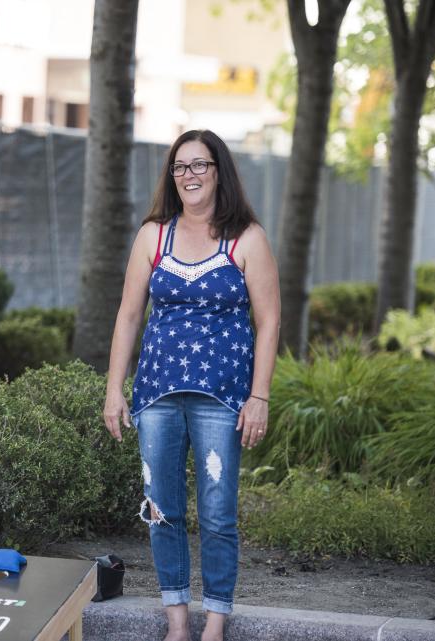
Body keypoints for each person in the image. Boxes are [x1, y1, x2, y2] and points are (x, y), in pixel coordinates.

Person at [102, 129, 279, 641]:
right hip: (156, 394)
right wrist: (116, 388)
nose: (190, 175)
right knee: (161, 510)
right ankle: (177, 623)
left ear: (219, 171)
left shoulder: (246, 238)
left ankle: (215, 623)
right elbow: (129, 314)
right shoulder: (153, 235)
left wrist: (259, 396)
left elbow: (269, 322)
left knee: (219, 514)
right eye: (181, 166)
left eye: (200, 165)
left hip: (222, 398)